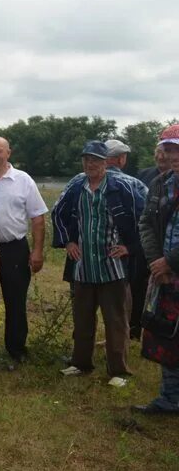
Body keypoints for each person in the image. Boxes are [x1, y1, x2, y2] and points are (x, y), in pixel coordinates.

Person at [51, 140, 144, 385]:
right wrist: (68, 242)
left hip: (112, 268)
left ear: (106, 162)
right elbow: (57, 213)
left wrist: (130, 247)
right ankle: (80, 363)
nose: (90, 164)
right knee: (82, 320)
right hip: (83, 268)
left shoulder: (122, 186)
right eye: (86, 159)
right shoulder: (76, 186)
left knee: (116, 322)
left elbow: (145, 218)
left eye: (95, 160)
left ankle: (118, 371)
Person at [0, 136, 48, 362]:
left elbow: (37, 218)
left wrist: (37, 251)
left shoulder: (23, 180)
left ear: (9, 153)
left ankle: (16, 349)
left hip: (14, 247)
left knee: (15, 299)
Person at [133, 124, 179, 415]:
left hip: (171, 267)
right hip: (164, 275)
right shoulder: (161, 184)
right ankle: (169, 398)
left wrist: (170, 262)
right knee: (166, 336)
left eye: (177, 148)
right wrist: (155, 262)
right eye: (170, 149)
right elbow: (146, 223)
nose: (174, 155)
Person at [105, 139, 150, 339]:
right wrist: (132, 247)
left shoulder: (80, 181)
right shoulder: (135, 184)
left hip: (88, 253)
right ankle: (125, 333)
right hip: (124, 250)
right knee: (125, 292)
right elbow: (148, 219)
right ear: (121, 160)